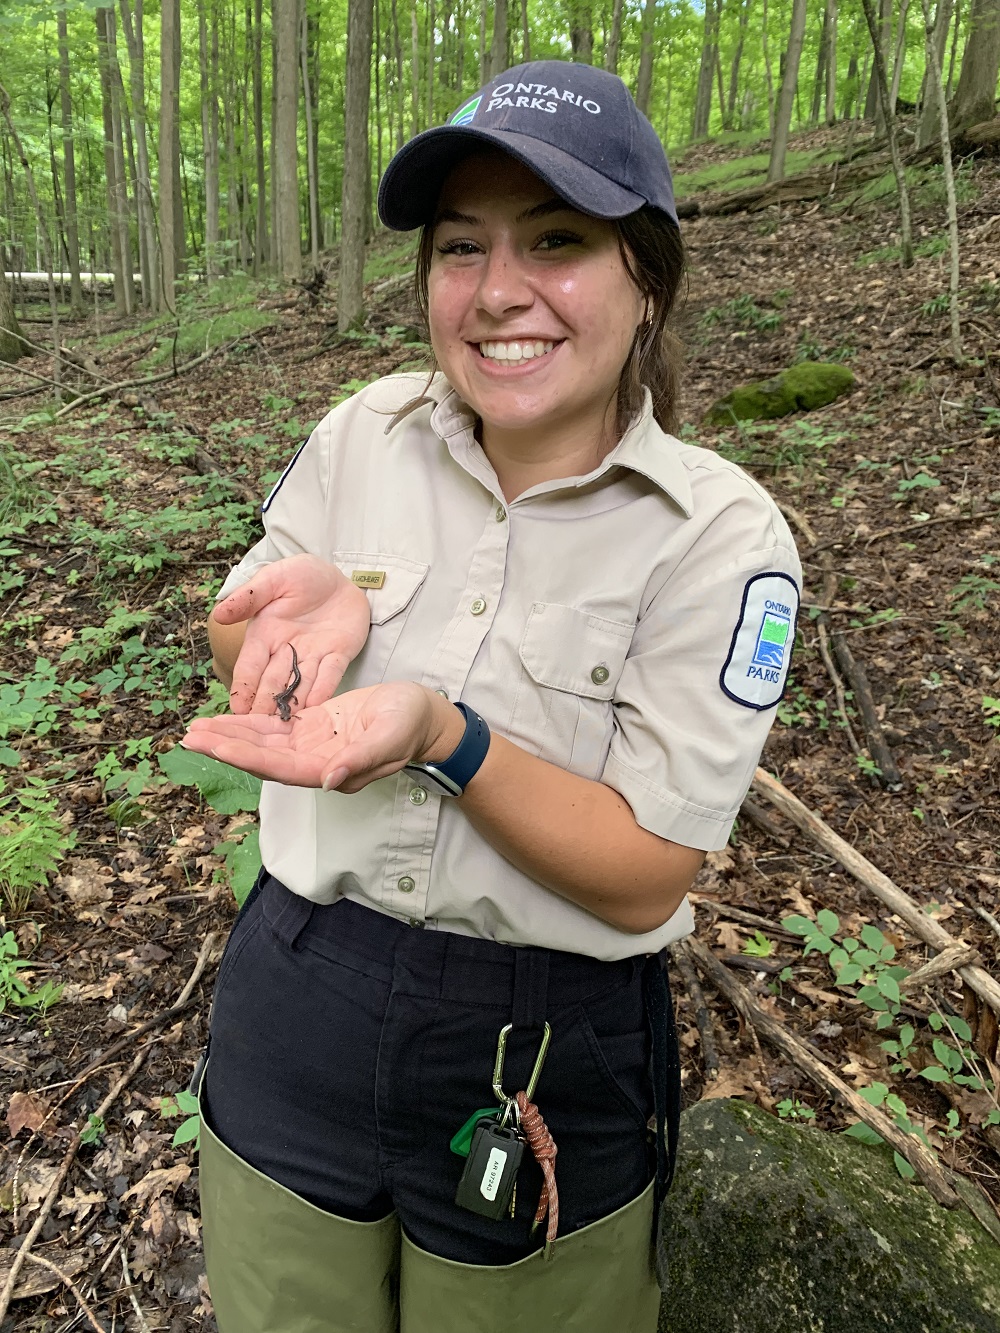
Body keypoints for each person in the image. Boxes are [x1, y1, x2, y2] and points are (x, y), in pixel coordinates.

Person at [181, 59, 801, 1333]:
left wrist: (444, 735)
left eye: (558, 241)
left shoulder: (719, 538)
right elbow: (235, 657)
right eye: (461, 246)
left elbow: (644, 874)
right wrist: (271, 633)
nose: (498, 291)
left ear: (648, 280)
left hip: (546, 1045)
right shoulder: (365, 433)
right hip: (297, 994)